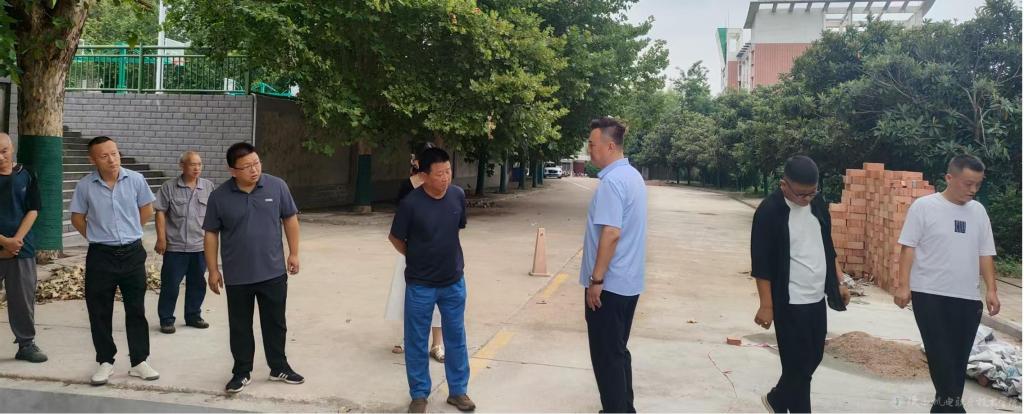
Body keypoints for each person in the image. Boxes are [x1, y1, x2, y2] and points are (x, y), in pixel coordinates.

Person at [895, 154, 1000, 413]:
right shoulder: (924, 207)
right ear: (949, 178)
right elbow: (908, 248)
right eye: (968, 183)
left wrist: (992, 290)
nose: (973, 190)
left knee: (956, 364)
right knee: (941, 359)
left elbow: (985, 253)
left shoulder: (978, 212)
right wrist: (903, 285)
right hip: (930, 295)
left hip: (967, 298)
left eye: (978, 184)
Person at [750, 155, 850, 413]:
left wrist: (840, 281)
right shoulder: (769, 212)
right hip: (789, 300)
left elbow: (827, 247)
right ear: (784, 185)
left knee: (813, 358)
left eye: (812, 192)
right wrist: (766, 305)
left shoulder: (817, 204)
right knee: (798, 366)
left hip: (816, 297)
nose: (807, 198)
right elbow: (761, 264)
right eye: (801, 194)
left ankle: (777, 399)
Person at [203, 142, 304, 394]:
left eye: (256, 163)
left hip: (273, 271)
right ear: (232, 170)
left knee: (275, 323)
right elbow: (211, 233)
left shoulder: (277, 186)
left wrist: (294, 253)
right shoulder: (219, 196)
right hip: (238, 275)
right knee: (240, 326)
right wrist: (213, 269)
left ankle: (278, 367)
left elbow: (290, 219)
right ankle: (241, 371)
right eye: (246, 166)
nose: (254, 169)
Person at [388, 147, 475, 413]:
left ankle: (458, 391)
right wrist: (415, 255)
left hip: (453, 282)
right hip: (420, 285)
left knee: (456, 337)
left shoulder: (457, 196)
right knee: (416, 340)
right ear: (424, 176)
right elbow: (395, 238)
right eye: (439, 174)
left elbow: (456, 229)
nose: (445, 178)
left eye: (448, 171)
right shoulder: (411, 204)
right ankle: (419, 394)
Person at [70, 135, 160, 385]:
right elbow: (77, 218)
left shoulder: (136, 180)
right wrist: (96, 236)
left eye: (115, 153)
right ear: (93, 160)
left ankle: (139, 361)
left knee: (136, 309)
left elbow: (147, 209)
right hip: (101, 256)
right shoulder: (85, 185)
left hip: (132, 253)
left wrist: (131, 231)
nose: (112, 159)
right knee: (99, 310)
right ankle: (105, 361)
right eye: (104, 156)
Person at [580, 117, 647, 413]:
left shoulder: (612, 182)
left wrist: (596, 280)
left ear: (609, 146)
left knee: (607, 358)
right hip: (628, 284)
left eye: (592, 144)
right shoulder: (633, 176)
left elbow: (611, 233)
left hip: (609, 286)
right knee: (617, 352)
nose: (589, 150)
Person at [385, 156, 444, 361]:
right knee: (409, 296)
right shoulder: (408, 187)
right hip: (413, 250)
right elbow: (398, 226)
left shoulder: (443, 186)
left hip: (438, 254)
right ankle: (409, 338)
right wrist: (410, 253)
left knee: (438, 298)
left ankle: (437, 343)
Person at [154, 151, 213, 334]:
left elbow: (214, 214)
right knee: (171, 285)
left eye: (199, 164)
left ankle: (193, 316)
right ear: (182, 166)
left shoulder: (208, 186)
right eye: (193, 164)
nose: (197, 168)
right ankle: (166, 319)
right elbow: (160, 212)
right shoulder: (169, 187)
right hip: (175, 247)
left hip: (200, 247)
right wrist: (161, 238)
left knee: (197, 284)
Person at [0, 132, 47, 363]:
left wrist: (16, 240)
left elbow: (33, 209)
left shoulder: (26, 174)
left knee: (22, 300)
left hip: (22, 249)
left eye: (4, 151)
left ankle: (26, 344)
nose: (1, 157)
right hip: (5, 244)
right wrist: (4, 242)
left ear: (12, 149)